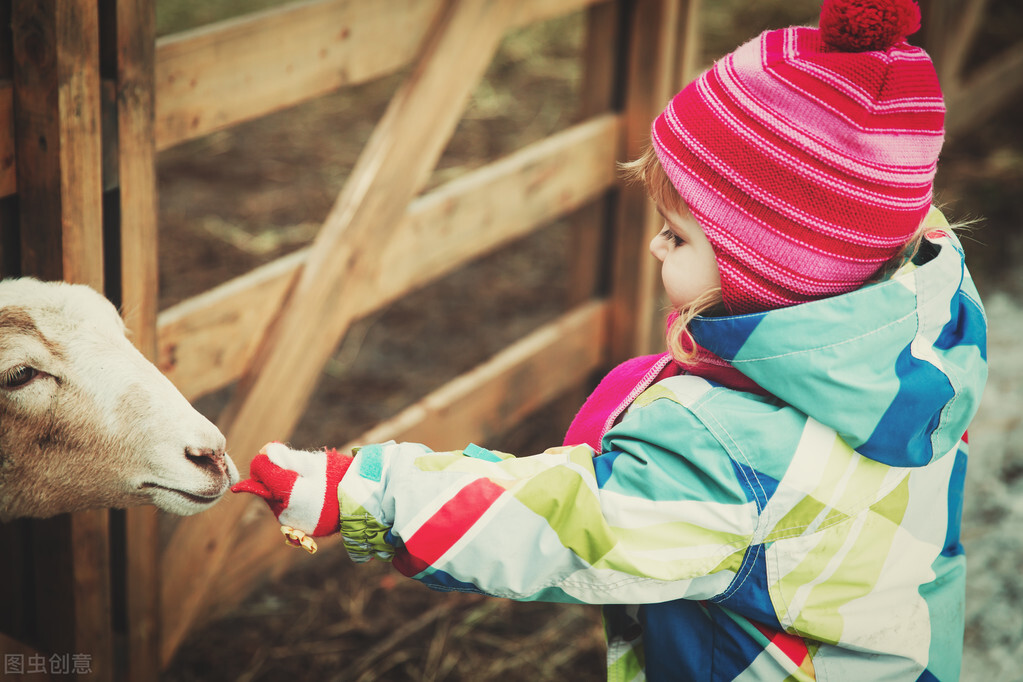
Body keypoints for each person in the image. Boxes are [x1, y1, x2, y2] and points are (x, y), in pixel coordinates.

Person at [232, 0, 988, 679]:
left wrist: (360, 491)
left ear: (778, 268)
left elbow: (558, 524)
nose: (656, 250)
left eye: (676, 234)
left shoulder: (730, 457)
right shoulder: (926, 337)